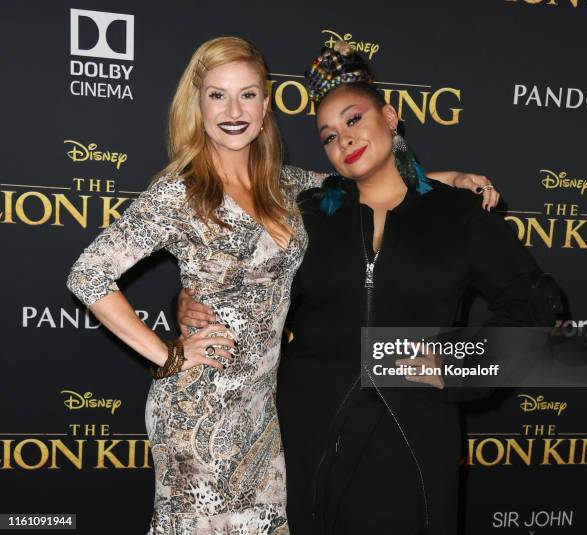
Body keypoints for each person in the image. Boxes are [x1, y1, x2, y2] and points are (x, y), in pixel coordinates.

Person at [67, 36, 496, 535]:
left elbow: (367, 182)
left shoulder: (283, 184)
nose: (233, 110)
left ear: (266, 104)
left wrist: (452, 177)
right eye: (217, 95)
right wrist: (168, 356)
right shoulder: (180, 191)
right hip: (200, 413)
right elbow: (87, 274)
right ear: (197, 103)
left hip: (268, 414)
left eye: (247, 94)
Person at [178, 41, 559, 535]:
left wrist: (463, 363)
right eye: (329, 136)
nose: (344, 141)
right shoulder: (308, 215)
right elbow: (242, 288)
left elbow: (533, 301)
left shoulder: (458, 214)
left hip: (415, 431)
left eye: (354, 120)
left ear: (391, 116)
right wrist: (188, 304)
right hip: (313, 427)